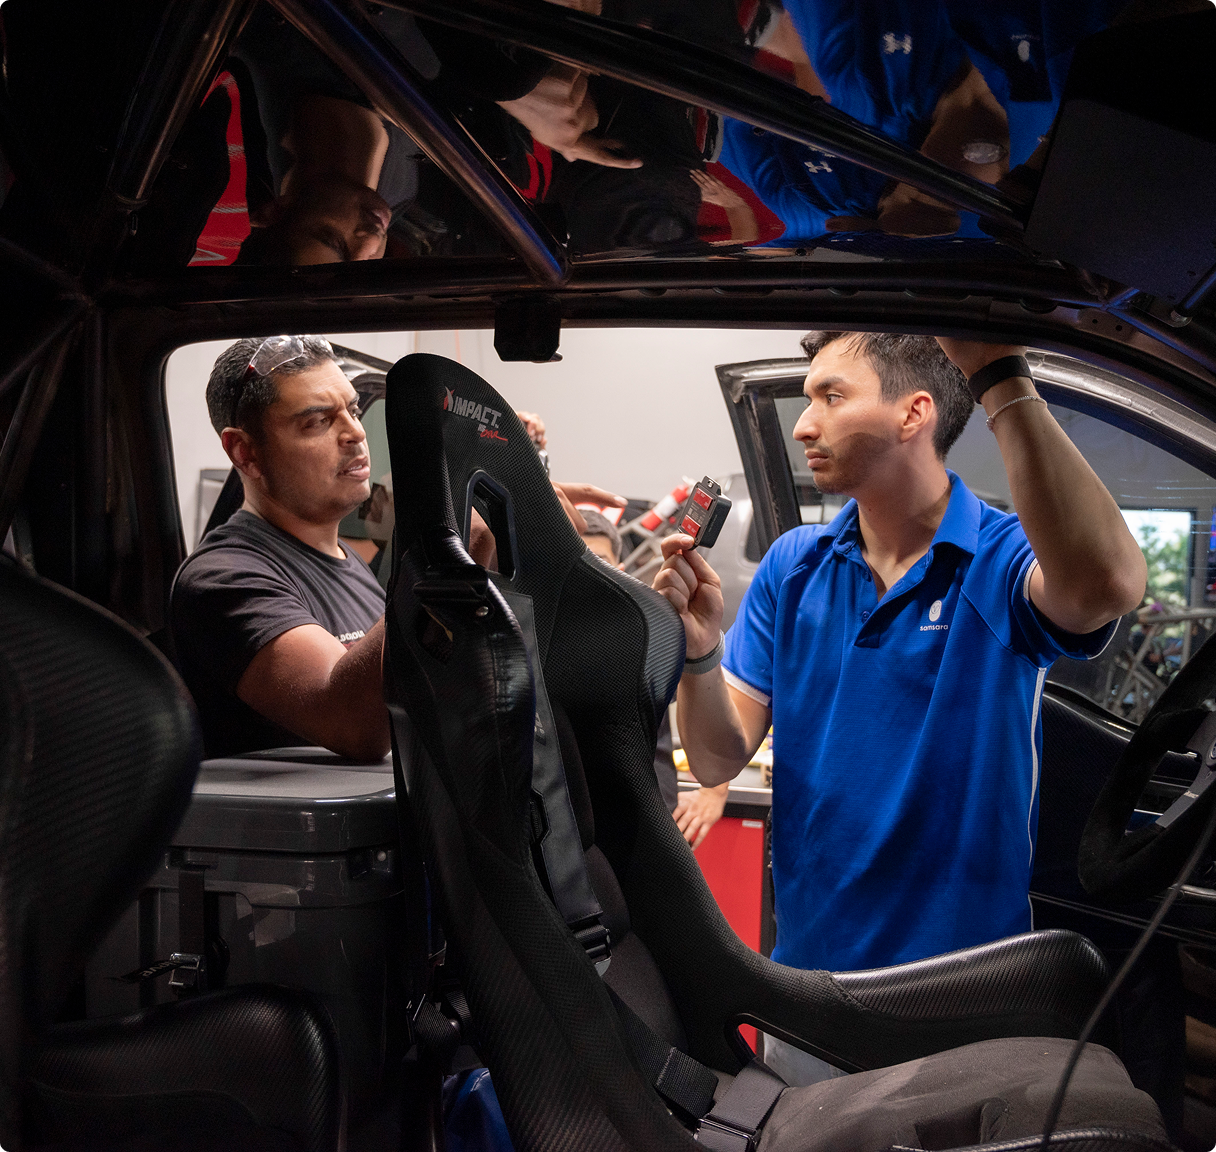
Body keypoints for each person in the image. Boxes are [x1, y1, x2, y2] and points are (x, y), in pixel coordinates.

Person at [654, 333, 1146, 1081]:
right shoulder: (795, 564)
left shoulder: (1003, 556)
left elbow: (1105, 584)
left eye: (832, 396)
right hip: (811, 991)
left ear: (914, 413)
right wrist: (699, 654)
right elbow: (720, 755)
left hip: (965, 998)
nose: (803, 424)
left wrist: (999, 375)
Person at [171, 335, 622, 759]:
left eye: (351, 410)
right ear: (244, 452)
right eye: (317, 421)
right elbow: (355, 723)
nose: (355, 433)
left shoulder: (353, 567)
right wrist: (453, 541)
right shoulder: (224, 576)